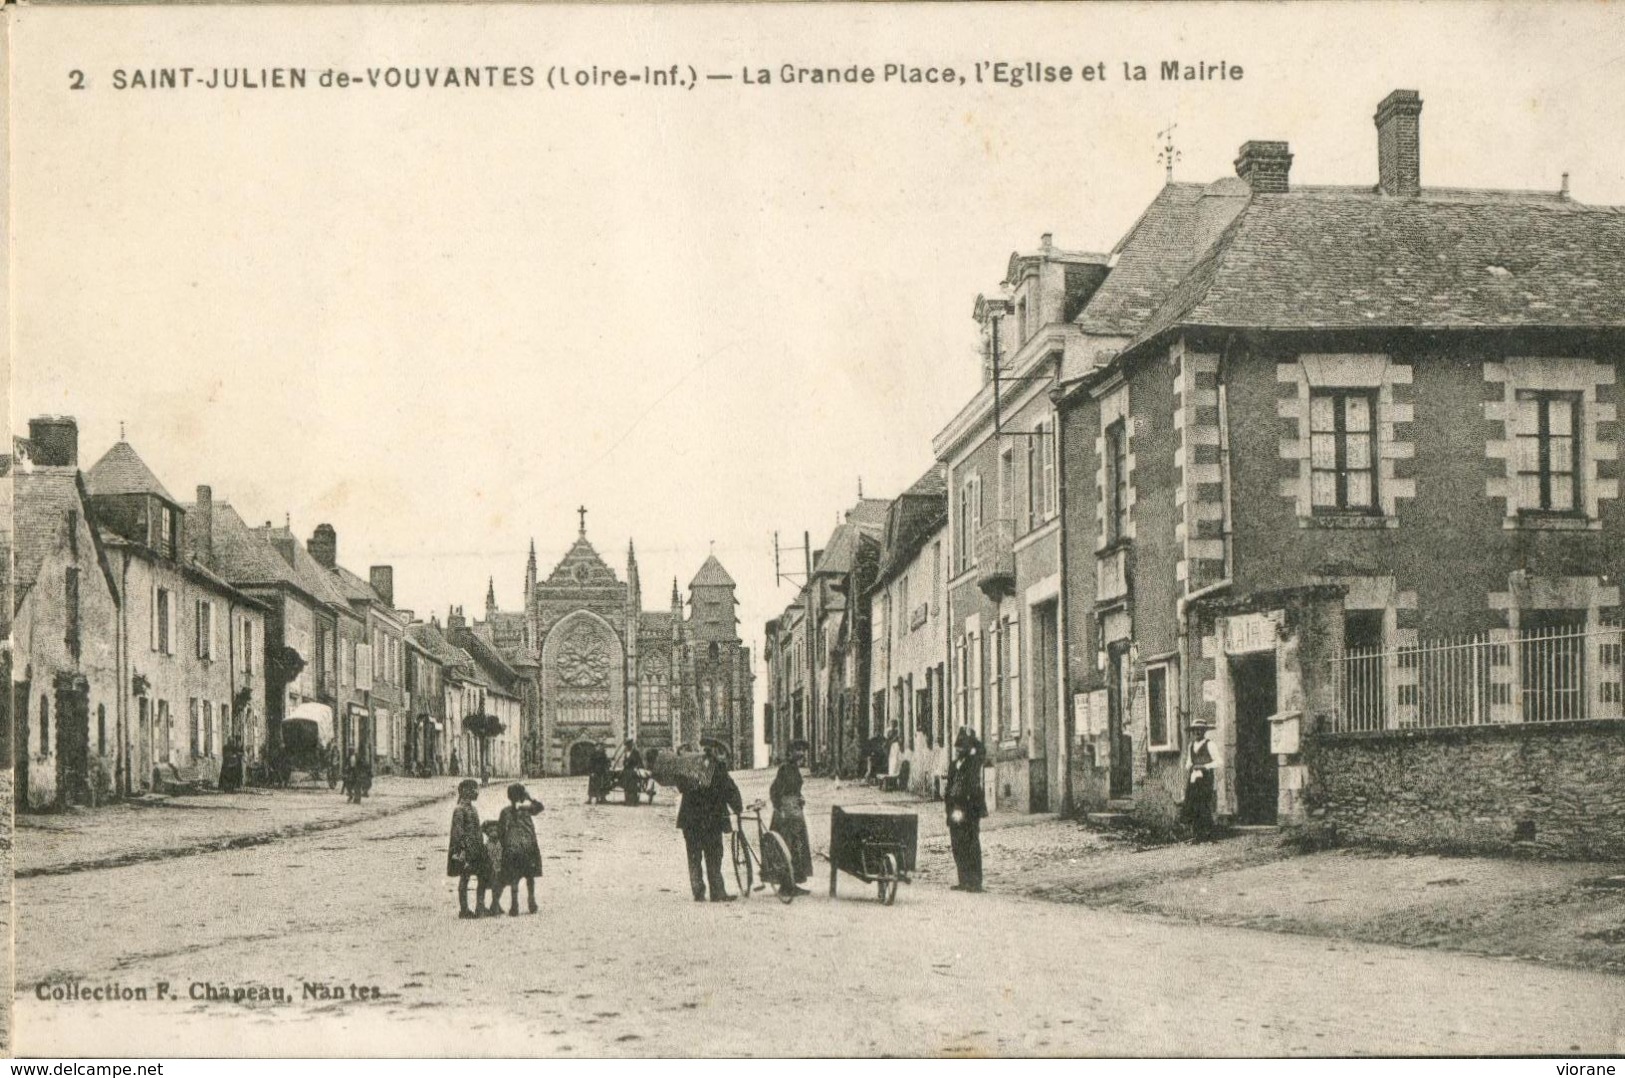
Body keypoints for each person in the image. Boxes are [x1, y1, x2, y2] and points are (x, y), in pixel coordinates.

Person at [676, 745, 743, 902]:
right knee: (713, 855)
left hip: (691, 820)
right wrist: (738, 808)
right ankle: (717, 892)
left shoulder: (689, 766)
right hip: (711, 820)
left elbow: (680, 786)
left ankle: (699, 891)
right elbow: (730, 790)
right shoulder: (718, 769)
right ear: (713, 753)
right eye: (719, 752)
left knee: (694, 855)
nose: (721, 756)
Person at [944, 728, 988, 892]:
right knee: (957, 844)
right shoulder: (953, 765)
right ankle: (963, 880)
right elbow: (949, 787)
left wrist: (974, 739)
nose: (958, 751)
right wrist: (948, 810)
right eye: (957, 748)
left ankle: (975, 882)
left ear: (967, 749)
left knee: (971, 844)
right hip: (955, 809)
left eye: (961, 748)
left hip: (970, 808)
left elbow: (982, 750)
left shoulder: (973, 762)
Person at [769, 739, 814, 895]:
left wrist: (800, 798)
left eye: (802, 750)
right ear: (790, 752)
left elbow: (794, 789)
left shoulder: (794, 768)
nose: (801, 753)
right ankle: (785, 885)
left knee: (797, 847)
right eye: (797, 750)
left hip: (795, 813)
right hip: (785, 815)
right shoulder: (784, 769)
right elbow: (775, 791)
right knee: (786, 847)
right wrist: (779, 808)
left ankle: (792, 883)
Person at [499, 783, 545, 916]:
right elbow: (540, 807)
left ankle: (514, 905)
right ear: (522, 796)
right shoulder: (527, 809)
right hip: (528, 847)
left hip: (513, 848)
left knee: (514, 878)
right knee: (530, 877)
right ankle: (532, 902)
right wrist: (530, 798)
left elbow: (501, 830)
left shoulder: (505, 811)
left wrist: (504, 845)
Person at [446, 779, 488, 919]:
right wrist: (462, 851)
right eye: (473, 789)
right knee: (465, 878)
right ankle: (464, 910)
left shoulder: (472, 809)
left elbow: (476, 830)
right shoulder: (459, 810)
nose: (477, 792)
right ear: (464, 792)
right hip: (467, 851)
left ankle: (480, 907)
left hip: (477, 849)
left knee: (482, 877)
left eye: (476, 789)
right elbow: (457, 833)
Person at [1183, 718, 1218, 841]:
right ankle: (1197, 834)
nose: (1198, 732)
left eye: (1200, 730)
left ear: (1204, 731)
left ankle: (1208, 833)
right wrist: (1190, 766)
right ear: (1193, 732)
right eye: (1195, 730)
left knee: (1203, 804)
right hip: (1194, 777)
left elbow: (1218, 762)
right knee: (1193, 804)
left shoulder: (1210, 744)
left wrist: (1204, 766)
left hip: (1205, 778)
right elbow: (1188, 762)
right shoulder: (1191, 746)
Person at [479, 819, 506, 915]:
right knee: (493, 883)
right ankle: (488, 906)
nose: (494, 833)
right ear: (487, 833)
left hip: (497, 871)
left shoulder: (500, 844)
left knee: (501, 883)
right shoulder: (485, 846)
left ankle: (495, 904)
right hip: (488, 873)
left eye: (496, 831)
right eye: (490, 831)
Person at [620, 738, 645, 807]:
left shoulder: (635, 752)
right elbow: (624, 762)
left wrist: (637, 767)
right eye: (627, 745)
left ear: (631, 745)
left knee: (633, 786)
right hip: (626, 770)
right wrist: (625, 763)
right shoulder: (625, 753)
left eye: (629, 745)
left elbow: (639, 762)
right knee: (626, 786)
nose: (628, 746)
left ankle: (633, 801)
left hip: (633, 771)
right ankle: (627, 800)